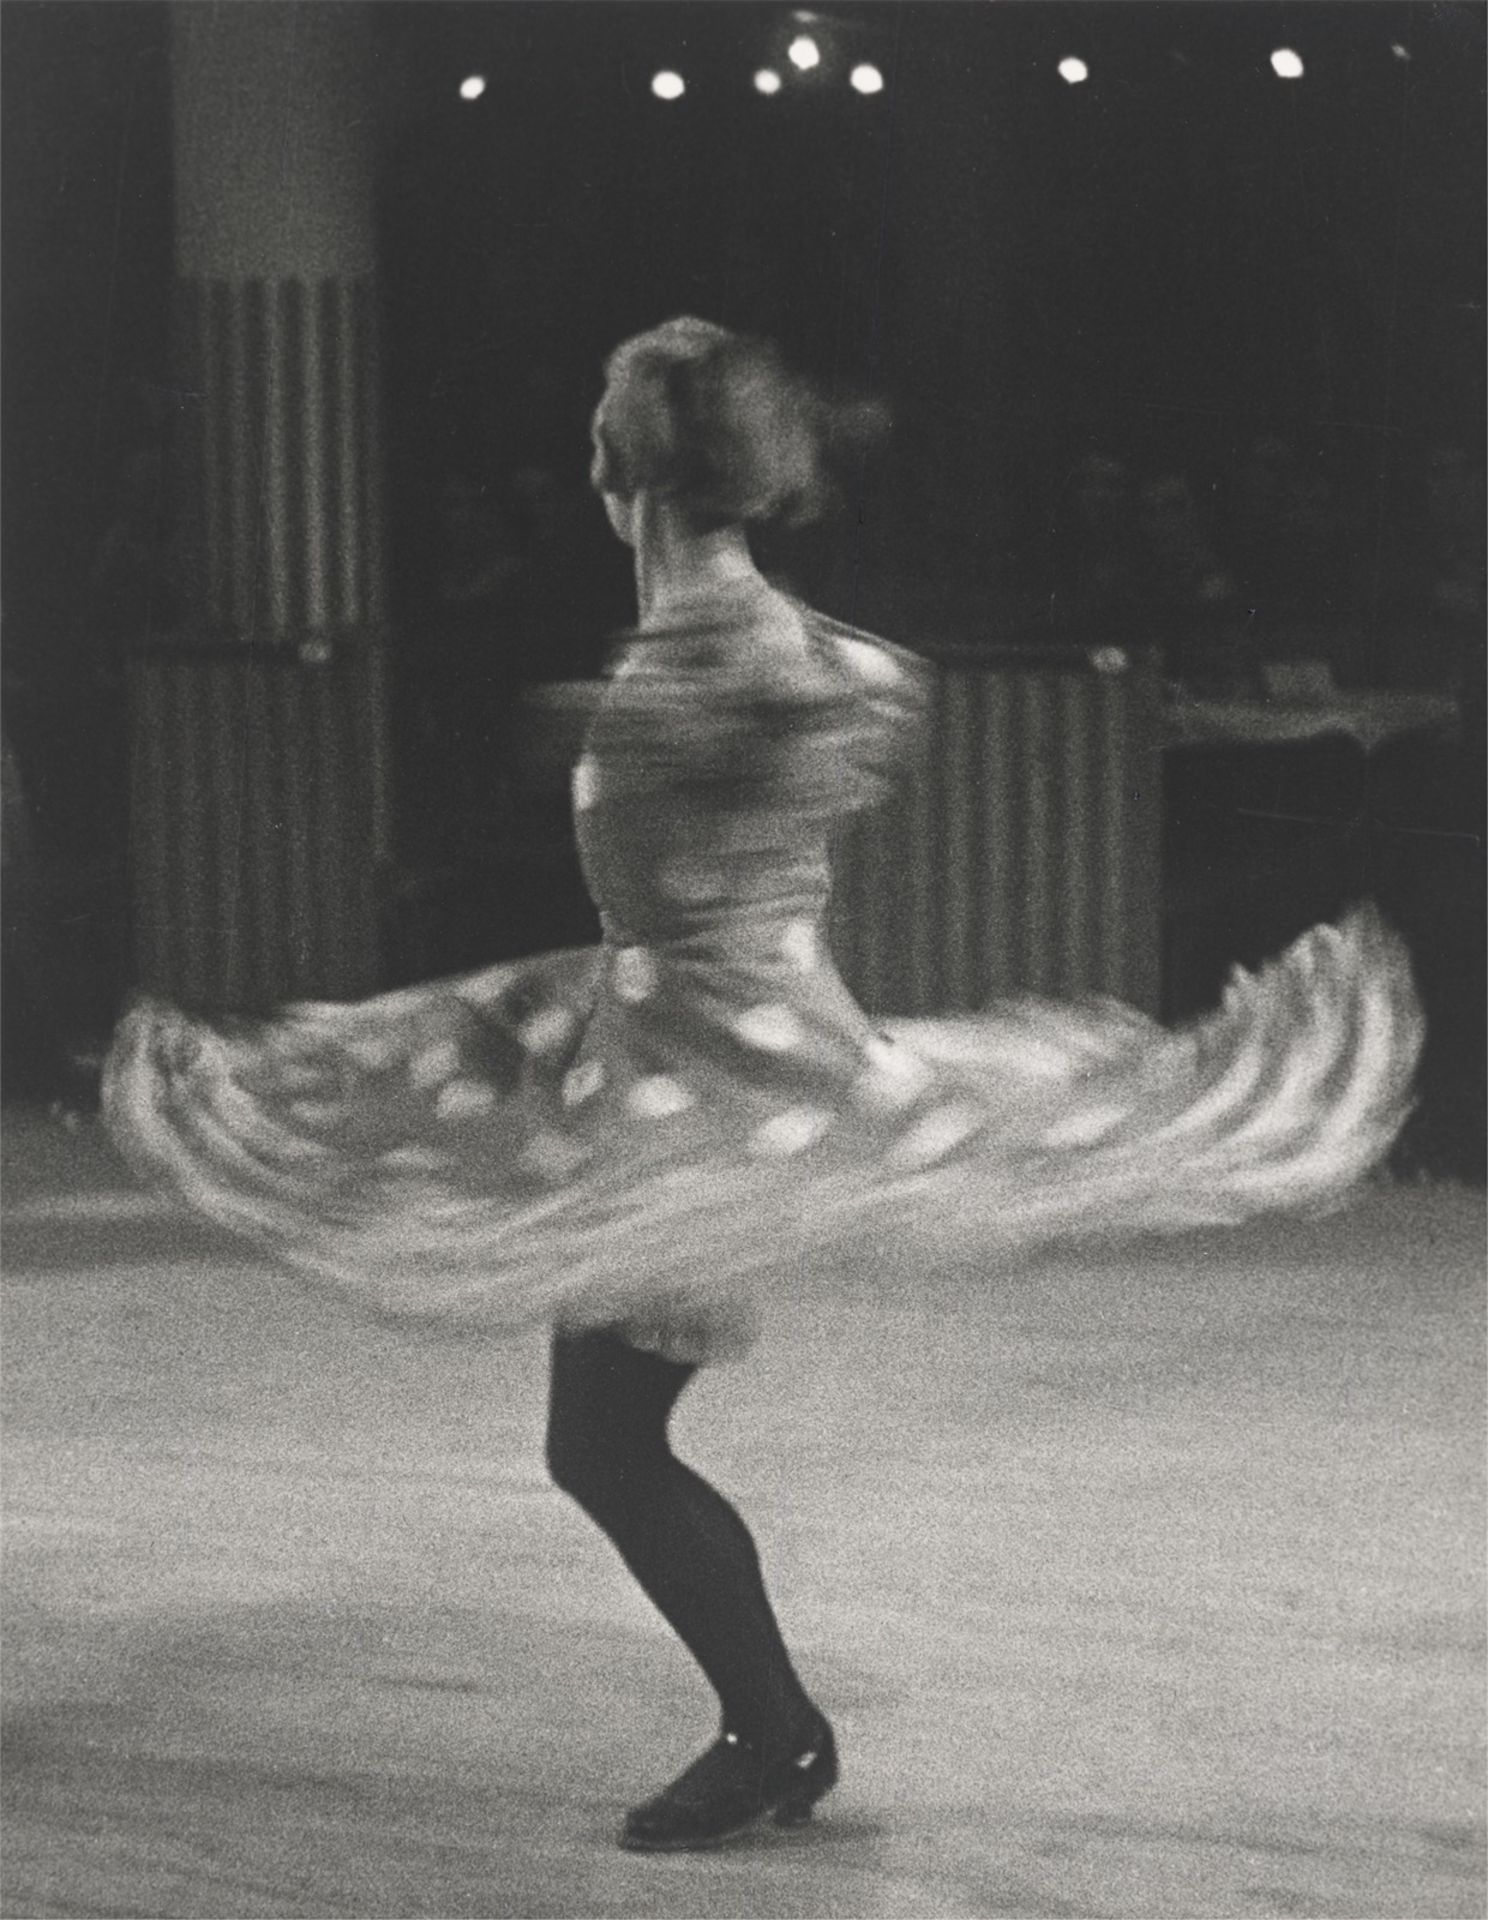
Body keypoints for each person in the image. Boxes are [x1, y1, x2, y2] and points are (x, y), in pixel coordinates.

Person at [105, 318, 1422, 1852]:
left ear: (614, 469)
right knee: (601, 1442)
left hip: (716, 1079)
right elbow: (849, 704)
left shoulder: (723, 643)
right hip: (659, 1040)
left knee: (600, 1446)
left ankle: (776, 1734)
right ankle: (775, 1731)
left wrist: (652, 731)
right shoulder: (717, 640)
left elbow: (837, 704)